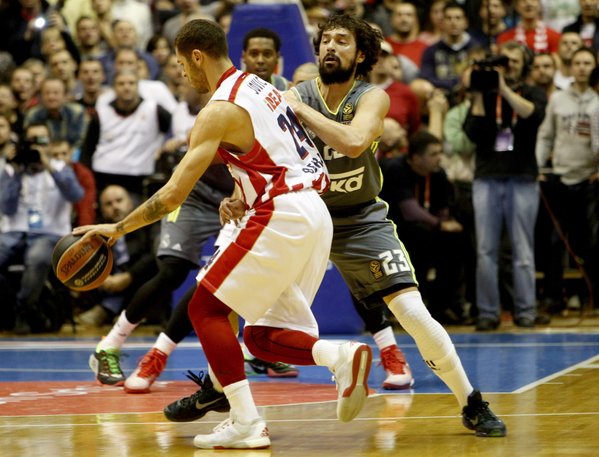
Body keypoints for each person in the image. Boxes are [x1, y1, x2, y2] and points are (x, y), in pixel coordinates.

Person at [167, 14, 506, 439]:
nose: (330, 47)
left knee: (412, 314)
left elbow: (352, 141)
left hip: (360, 220)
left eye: (341, 41)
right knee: (237, 306)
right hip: (300, 217)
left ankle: (470, 401)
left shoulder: (370, 97)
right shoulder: (291, 93)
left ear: (360, 54)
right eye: (325, 40)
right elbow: (264, 152)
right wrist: (240, 192)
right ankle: (221, 393)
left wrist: (301, 110)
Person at [74, 19, 374, 450]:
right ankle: (340, 357)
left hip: (281, 211)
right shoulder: (259, 87)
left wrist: (117, 229)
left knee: (205, 310)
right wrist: (240, 190)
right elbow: (271, 149)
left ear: (198, 57)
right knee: (260, 335)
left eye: (181, 64)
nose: (181, 73)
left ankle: (247, 423)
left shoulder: (217, 109)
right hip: (312, 212)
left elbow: (174, 192)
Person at [463, 40, 548, 330]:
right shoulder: (484, 95)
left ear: (524, 64)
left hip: (522, 176)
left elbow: (531, 115)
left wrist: (503, 89)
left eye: (512, 62)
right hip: (487, 175)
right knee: (485, 250)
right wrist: (477, 94)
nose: (507, 67)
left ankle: (526, 310)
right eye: (503, 63)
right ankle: (488, 312)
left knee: (523, 249)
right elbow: (472, 133)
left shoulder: (533, 91)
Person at [0, 123, 84, 334]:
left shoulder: (60, 167)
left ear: (50, 144)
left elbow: (76, 195)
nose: (37, 146)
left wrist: (47, 165)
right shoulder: (11, 169)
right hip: (13, 232)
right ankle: (10, 307)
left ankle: (23, 309)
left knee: (36, 258)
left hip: (49, 234)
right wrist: (17, 173)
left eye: (42, 141)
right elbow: (6, 207)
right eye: (32, 141)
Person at [535, 46, 599, 314]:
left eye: (587, 63)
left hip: (590, 180)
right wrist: (538, 165)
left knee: (590, 242)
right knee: (555, 241)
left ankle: (589, 295)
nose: (582, 67)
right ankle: (553, 297)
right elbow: (545, 135)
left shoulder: (598, 100)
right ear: (570, 67)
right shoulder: (558, 100)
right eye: (578, 63)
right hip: (560, 177)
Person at [380, 131, 467, 325]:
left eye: (440, 153)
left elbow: (443, 208)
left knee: (456, 243)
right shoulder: (396, 168)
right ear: (416, 157)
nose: (439, 158)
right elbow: (410, 211)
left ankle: (441, 307)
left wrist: (445, 224)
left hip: (424, 229)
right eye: (433, 154)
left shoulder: (438, 174)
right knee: (418, 241)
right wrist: (440, 224)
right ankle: (397, 310)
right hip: (394, 228)